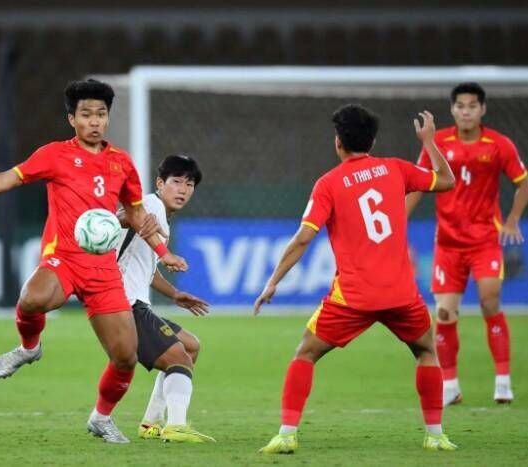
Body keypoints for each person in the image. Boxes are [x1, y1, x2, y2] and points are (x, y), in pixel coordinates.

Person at [0, 79, 187, 444]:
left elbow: (137, 214)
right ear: (72, 119)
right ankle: (30, 348)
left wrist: (163, 253)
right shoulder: (54, 155)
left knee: (125, 357)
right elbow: (6, 179)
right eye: (86, 114)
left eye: (101, 114)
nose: (94, 121)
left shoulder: (121, 163)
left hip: (103, 269)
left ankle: (101, 418)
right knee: (32, 298)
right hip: (65, 258)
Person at [254, 104, 457, 454]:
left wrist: (273, 282)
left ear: (338, 142)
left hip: (353, 298)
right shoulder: (396, 168)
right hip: (401, 294)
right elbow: (447, 180)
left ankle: (287, 433)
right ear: (372, 141)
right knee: (426, 352)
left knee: (305, 353)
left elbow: (303, 238)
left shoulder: (328, 184)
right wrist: (429, 141)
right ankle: (435, 435)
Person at [406, 82, 528, 406]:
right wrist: (398, 221)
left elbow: (523, 181)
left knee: (490, 301)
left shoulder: (499, 144)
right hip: (448, 243)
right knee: (445, 312)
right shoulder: (438, 143)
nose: (466, 112)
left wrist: (513, 219)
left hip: (485, 240)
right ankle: (450, 386)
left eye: (472, 106)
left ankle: (503, 381)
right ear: (452, 109)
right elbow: (418, 182)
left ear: (482, 109)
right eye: (460, 106)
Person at [111, 154, 215, 443]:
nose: (183, 190)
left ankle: (152, 421)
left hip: (134, 302)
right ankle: (176, 425)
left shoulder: (159, 216)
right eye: (176, 182)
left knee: (190, 346)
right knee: (179, 358)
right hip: (124, 304)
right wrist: (127, 217)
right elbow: (127, 216)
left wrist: (174, 294)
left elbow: (148, 270)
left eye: (189, 184)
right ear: (160, 183)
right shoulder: (151, 206)